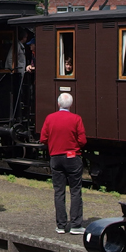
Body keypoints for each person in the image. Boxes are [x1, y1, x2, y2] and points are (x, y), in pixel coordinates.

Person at [39, 93, 87, 235]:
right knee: (75, 191)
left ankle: (61, 225)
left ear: (58, 104)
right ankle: (76, 224)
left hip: (56, 157)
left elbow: (43, 138)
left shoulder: (50, 118)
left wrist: (53, 144)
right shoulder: (76, 119)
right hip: (72, 157)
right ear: (70, 105)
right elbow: (83, 140)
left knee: (59, 191)